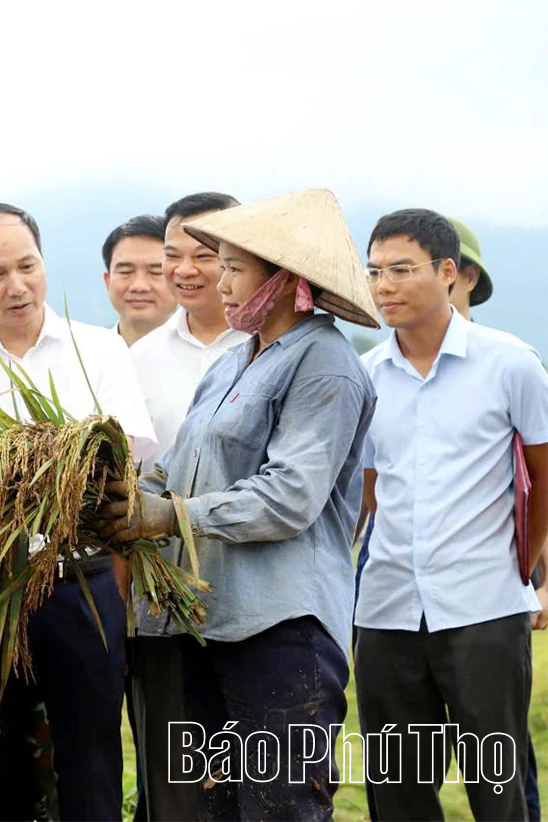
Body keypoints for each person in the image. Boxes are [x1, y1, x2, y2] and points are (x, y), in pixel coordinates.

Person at [101, 188, 379, 820]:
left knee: (281, 807)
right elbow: (176, 468)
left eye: (234, 268)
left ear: (285, 279)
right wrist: (118, 497)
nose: (220, 283)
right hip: (207, 622)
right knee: (211, 809)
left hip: (281, 630)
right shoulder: (232, 363)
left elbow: (289, 496)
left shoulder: (326, 364)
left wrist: (170, 517)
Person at [0, 202, 157, 821]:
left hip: (81, 581)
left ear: (45, 264)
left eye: (27, 266)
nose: (16, 286)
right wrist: (55, 465)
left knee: (93, 759)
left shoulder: (98, 352)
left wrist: (8, 473)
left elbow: (118, 466)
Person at [355, 208, 548, 821]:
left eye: (402, 269)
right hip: (385, 610)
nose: (385, 285)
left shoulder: (510, 361)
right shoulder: (365, 375)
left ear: (447, 273)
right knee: (398, 792)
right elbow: (367, 488)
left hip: (484, 608)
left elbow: (544, 473)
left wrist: (526, 563)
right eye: (375, 271)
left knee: (498, 788)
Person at [124, 191, 248, 821]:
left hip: (256, 601)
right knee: (173, 786)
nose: (187, 269)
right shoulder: (137, 362)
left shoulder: (275, 352)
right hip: (164, 599)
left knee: (258, 782)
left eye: (206, 255)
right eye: (175, 254)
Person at [102, 214, 176, 346]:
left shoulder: (214, 358)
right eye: (126, 272)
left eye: (156, 272)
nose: (139, 286)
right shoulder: (84, 356)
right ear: (108, 282)